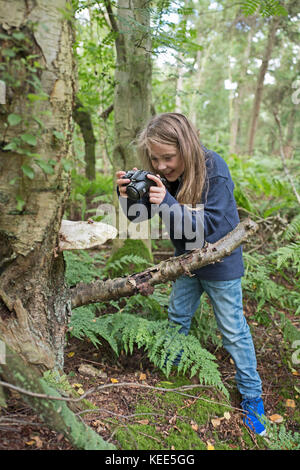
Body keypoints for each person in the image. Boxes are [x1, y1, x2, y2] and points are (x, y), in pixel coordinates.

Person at [116, 112, 266, 436]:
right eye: (154, 159)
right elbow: (139, 217)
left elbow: (210, 228)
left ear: (187, 146)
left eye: (168, 158)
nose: (161, 167)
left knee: (233, 331)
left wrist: (167, 200)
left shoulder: (214, 169)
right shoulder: (162, 174)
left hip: (220, 264)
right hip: (185, 262)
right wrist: (129, 196)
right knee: (177, 315)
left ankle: (253, 397)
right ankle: (174, 370)